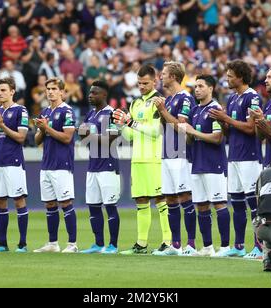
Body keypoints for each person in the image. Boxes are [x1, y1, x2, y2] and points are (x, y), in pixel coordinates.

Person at [113, 64, 171, 254]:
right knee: (141, 200)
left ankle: (168, 242)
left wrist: (130, 122)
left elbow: (155, 132)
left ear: (154, 81)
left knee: (161, 199)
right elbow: (130, 136)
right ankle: (141, 244)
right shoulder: (135, 103)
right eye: (139, 83)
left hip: (154, 158)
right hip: (137, 159)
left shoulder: (159, 101)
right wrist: (121, 125)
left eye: (146, 83)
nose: (142, 86)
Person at [209, 59, 263, 259]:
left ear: (241, 77)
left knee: (254, 204)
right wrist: (220, 120)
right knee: (237, 203)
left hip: (249, 157)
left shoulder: (253, 97)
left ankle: (259, 246)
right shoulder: (232, 99)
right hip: (234, 156)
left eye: (230, 76)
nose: (227, 79)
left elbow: (251, 128)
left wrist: (226, 119)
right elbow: (229, 131)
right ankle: (239, 246)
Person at [180, 75, 231, 256]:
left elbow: (218, 138)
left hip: (214, 164)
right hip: (198, 163)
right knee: (201, 205)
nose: (197, 89)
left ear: (211, 88)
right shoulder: (194, 111)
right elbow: (190, 139)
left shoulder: (215, 109)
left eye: (201, 86)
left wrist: (193, 131)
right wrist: (186, 132)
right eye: (196, 87)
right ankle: (207, 246)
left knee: (219, 204)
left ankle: (225, 247)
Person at [152, 61, 197, 256]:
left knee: (185, 196)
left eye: (163, 74)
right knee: (170, 198)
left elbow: (182, 126)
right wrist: (161, 111)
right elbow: (165, 125)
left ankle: (191, 245)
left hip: (181, 154)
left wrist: (163, 111)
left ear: (173, 77)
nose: (161, 77)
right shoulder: (168, 100)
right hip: (167, 153)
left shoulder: (185, 98)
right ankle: (175, 245)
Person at [33, 77, 78, 253]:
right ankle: (52, 243)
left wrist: (47, 128)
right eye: (48, 89)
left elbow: (67, 138)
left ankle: (72, 244)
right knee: (50, 204)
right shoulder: (45, 112)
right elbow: (37, 140)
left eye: (54, 89)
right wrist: (42, 129)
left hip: (62, 164)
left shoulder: (67, 111)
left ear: (61, 92)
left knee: (65, 202)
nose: (50, 92)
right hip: (47, 164)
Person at [0, 77, 30, 253]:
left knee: (19, 200)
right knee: (0, 202)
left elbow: (21, 137)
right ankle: (2, 244)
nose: (0, 93)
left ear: (12, 91)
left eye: (3, 90)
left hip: (14, 161)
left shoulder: (21, 110)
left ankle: (22, 244)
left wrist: (2, 125)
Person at [78, 80, 121, 254]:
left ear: (104, 95)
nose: (90, 95)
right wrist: (87, 135)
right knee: (93, 206)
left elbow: (111, 139)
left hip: (108, 166)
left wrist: (88, 135)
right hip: (93, 166)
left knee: (110, 206)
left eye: (94, 93)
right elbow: (85, 140)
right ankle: (97, 244)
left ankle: (113, 245)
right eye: (90, 92)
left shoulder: (112, 113)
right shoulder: (90, 115)